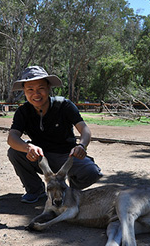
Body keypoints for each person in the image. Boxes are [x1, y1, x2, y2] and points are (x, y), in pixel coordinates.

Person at [7, 66, 102, 203]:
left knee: (92, 172)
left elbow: (85, 130)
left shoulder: (64, 105)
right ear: (24, 92)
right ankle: (35, 190)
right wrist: (28, 148)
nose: (36, 94)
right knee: (14, 152)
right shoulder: (23, 112)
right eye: (30, 90)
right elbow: (12, 138)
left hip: (67, 156)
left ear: (48, 88)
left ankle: (71, 191)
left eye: (41, 88)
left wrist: (82, 145)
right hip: (41, 157)